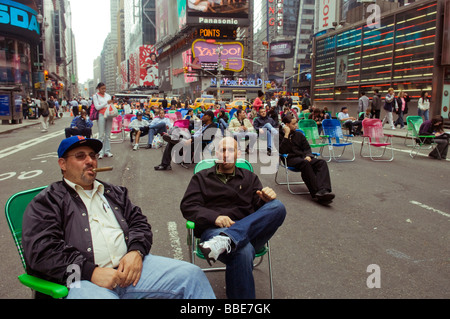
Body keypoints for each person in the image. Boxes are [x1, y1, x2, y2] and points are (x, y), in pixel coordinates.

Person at [21, 136, 215, 299]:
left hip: (128, 270)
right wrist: (91, 271)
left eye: (92, 155)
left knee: (192, 275)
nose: (90, 161)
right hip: (78, 280)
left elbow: (139, 223)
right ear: (62, 164)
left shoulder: (113, 192)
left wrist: (136, 252)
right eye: (80, 156)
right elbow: (42, 251)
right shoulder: (48, 201)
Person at [180, 137, 286, 299]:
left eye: (231, 150)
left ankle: (229, 239)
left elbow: (258, 207)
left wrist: (264, 199)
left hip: (246, 230)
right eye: (223, 150)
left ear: (238, 153)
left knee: (277, 206)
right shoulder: (201, 178)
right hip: (214, 232)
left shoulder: (250, 178)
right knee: (243, 251)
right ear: (216, 154)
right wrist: (215, 217)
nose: (226, 154)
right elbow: (188, 206)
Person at [279, 114, 335, 203]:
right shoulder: (280, 136)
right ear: (286, 124)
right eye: (293, 124)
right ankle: (316, 192)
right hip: (290, 159)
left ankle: (324, 190)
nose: (296, 125)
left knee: (321, 163)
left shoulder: (299, 134)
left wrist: (308, 155)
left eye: (296, 123)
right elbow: (281, 151)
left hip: (303, 158)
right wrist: (286, 135)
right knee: (305, 164)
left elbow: (307, 148)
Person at [93, 83, 114, 159]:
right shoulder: (95, 96)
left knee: (108, 135)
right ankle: (100, 152)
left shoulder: (108, 95)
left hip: (109, 114)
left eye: (105, 88)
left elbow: (110, 105)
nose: (104, 90)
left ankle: (107, 151)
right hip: (101, 115)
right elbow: (97, 107)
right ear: (98, 88)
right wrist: (106, 103)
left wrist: (110, 104)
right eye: (102, 89)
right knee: (101, 134)